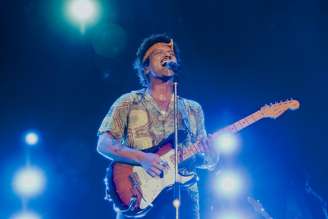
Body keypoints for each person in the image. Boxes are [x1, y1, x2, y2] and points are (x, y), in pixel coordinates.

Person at [97, 33, 219, 219]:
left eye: (171, 53)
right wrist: (142, 158)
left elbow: (205, 160)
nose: (167, 55)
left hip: (183, 200)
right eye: (159, 52)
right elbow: (104, 144)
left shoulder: (192, 109)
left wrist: (211, 154)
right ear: (145, 67)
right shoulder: (128, 102)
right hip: (138, 197)